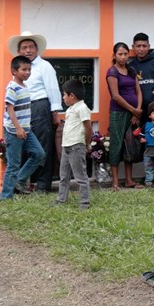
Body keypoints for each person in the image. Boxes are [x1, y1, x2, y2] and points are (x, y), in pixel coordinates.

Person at [7, 31, 60, 192]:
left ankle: (43, 185)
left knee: (43, 146)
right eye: (24, 48)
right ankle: (21, 183)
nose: (28, 50)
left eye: (31, 47)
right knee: (22, 145)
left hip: (39, 107)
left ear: (37, 50)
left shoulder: (45, 66)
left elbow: (53, 89)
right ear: (19, 51)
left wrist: (55, 112)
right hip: (22, 109)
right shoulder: (19, 69)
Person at [0, 55, 46, 200]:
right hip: (14, 131)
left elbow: (24, 109)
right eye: (24, 69)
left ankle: (19, 180)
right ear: (14, 71)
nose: (27, 72)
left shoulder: (25, 86)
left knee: (39, 154)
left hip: (26, 130)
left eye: (29, 70)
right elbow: (10, 109)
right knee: (13, 164)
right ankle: (5, 197)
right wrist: (18, 128)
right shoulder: (12, 87)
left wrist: (26, 126)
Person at [106, 42, 142, 190]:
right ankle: (115, 181)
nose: (123, 57)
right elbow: (115, 96)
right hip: (118, 113)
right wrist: (133, 110)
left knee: (130, 145)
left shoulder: (132, 70)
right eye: (120, 54)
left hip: (134, 113)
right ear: (114, 55)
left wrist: (137, 111)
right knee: (116, 145)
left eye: (125, 54)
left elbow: (138, 91)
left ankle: (128, 179)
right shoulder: (112, 72)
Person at [55, 79, 91, 210]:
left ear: (72, 96)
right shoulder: (71, 109)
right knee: (63, 176)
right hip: (67, 146)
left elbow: (88, 128)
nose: (63, 97)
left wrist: (86, 144)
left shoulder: (82, 108)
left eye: (64, 94)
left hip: (77, 146)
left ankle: (84, 202)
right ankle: (61, 198)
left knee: (80, 176)